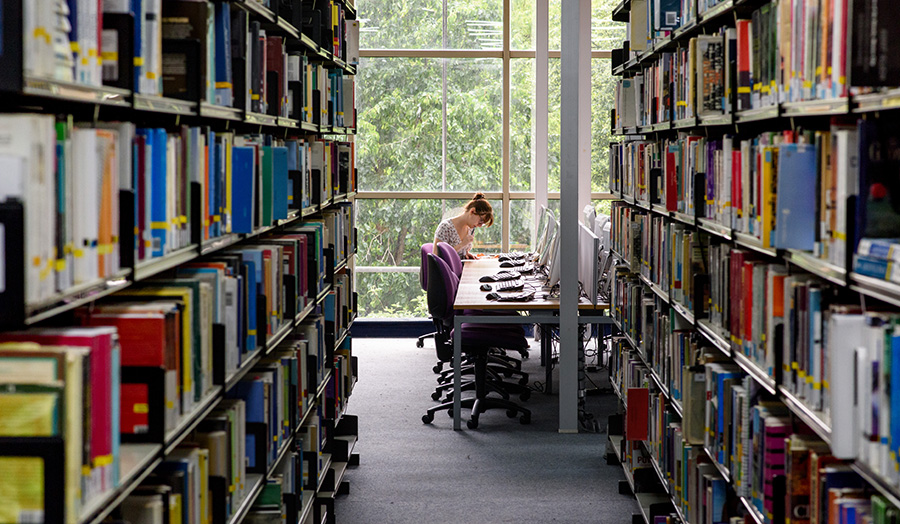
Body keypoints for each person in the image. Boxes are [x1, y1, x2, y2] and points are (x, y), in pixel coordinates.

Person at [433, 193, 494, 258]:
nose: (480, 226)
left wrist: (466, 254)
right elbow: (437, 257)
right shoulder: (445, 227)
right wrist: (462, 244)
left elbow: (459, 254)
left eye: (483, 223)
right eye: (481, 221)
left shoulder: (470, 228)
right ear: (472, 211)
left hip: (463, 267)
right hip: (450, 268)